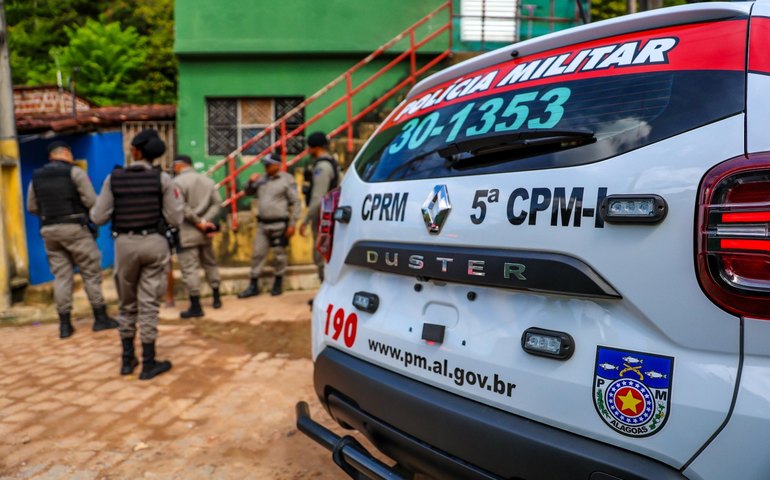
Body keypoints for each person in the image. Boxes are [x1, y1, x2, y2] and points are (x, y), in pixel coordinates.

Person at [90, 129, 184, 380]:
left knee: (126, 303)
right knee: (149, 303)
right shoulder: (163, 179)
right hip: (155, 243)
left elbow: (98, 217)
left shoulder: (113, 178)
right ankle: (149, 363)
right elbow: (176, 218)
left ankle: (127, 359)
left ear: (135, 151)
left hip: (124, 245)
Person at [27, 140, 118, 339]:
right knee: (90, 273)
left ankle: (65, 325)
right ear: (67, 153)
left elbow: (31, 207)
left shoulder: (36, 176)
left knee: (61, 277)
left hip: (49, 230)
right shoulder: (75, 172)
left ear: (50, 156)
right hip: (76, 229)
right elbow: (91, 201)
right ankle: (100, 318)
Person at [237, 153, 300, 298]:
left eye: (269, 164)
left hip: (280, 224)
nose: (266, 167)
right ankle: (253, 285)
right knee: (257, 254)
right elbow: (248, 192)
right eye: (265, 164)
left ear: (277, 165)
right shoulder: (261, 179)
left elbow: (295, 202)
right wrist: (250, 182)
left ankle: (278, 283)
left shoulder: (287, 179)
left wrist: (292, 224)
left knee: (279, 255)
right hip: (263, 224)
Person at [172, 154, 223, 318]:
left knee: (190, 269)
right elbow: (217, 203)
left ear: (179, 165)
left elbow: (180, 206)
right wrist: (205, 221)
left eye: (174, 165)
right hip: (205, 232)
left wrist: (197, 221)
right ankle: (216, 297)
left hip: (187, 232)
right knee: (210, 263)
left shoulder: (177, 182)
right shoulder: (207, 180)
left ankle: (196, 305)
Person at [299, 132, 341, 283]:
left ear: (315, 147)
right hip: (329, 216)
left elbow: (318, 198)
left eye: (310, 147)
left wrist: (305, 220)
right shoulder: (331, 163)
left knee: (321, 255)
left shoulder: (322, 167)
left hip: (323, 217)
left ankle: (325, 288)